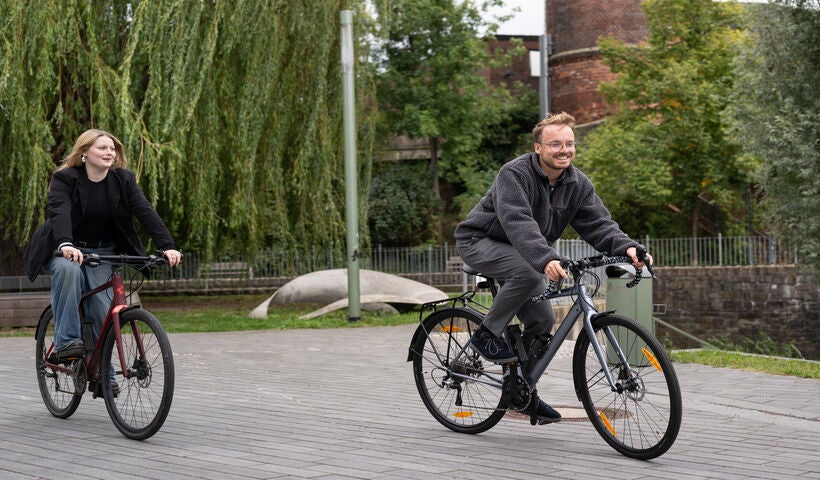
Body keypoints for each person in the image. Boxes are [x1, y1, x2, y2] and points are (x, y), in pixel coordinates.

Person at [454, 112, 652, 424]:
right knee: (528, 271)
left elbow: (598, 223)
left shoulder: (577, 183)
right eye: (555, 144)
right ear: (539, 148)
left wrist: (627, 247)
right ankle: (485, 335)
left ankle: (520, 393)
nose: (564, 150)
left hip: (524, 251)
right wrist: (546, 258)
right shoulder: (514, 174)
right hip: (480, 241)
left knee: (542, 321)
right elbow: (517, 220)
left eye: (569, 144)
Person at [25, 129, 182, 361]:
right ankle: (66, 343)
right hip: (66, 248)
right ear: (85, 152)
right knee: (69, 272)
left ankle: (103, 375)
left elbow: (145, 211)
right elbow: (60, 212)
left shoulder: (124, 180)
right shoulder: (66, 178)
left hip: (103, 251)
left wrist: (167, 245)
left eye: (112, 148)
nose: (109, 152)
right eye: (102, 148)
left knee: (101, 309)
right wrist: (66, 243)